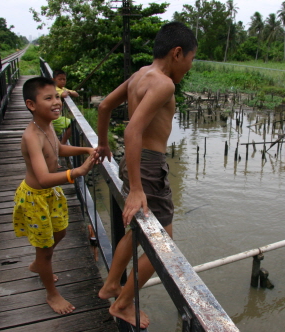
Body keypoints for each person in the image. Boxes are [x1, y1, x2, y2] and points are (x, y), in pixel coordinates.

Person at [96, 22, 197, 328]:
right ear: (177, 53)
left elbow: (103, 107)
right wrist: (138, 189)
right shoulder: (164, 84)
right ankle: (123, 304)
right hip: (149, 166)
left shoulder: (140, 74)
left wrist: (102, 142)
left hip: (134, 161)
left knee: (137, 230)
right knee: (165, 242)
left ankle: (112, 285)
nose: (189, 68)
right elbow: (132, 129)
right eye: (191, 60)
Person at [13, 76, 98, 315]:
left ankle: (38, 264)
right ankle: (51, 293)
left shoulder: (47, 125)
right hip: (36, 197)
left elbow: (57, 149)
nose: (56, 102)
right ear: (31, 105)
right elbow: (42, 177)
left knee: (60, 231)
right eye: (48, 98)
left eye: (57, 97)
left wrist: (85, 149)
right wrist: (77, 172)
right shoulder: (32, 136)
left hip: (50, 194)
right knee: (47, 247)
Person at [52, 70, 79, 144]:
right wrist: (68, 92)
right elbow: (63, 95)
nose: (62, 81)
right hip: (54, 117)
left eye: (64, 79)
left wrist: (69, 92)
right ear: (53, 80)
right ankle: (62, 144)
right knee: (72, 124)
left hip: (55, 115)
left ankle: (58, 144)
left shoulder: (62, 88)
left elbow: (76, 94)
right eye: (60, 79)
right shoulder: (55, 88)